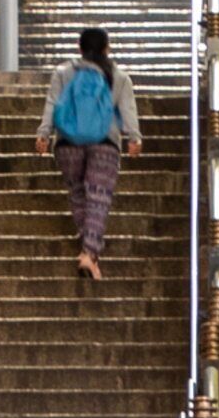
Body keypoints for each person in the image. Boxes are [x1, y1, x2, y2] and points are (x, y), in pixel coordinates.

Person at [36, 26, 143, 281]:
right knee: (99, 197)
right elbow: (127, 110)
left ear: (79, 47)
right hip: (105, 143)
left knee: (78, 193)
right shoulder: (119, 77)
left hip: (67, 143)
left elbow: (52, 103)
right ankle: (89, 253)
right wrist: (134, 137)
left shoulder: (63, 73)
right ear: (107, 48)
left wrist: (43, 133)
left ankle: (88, 244)